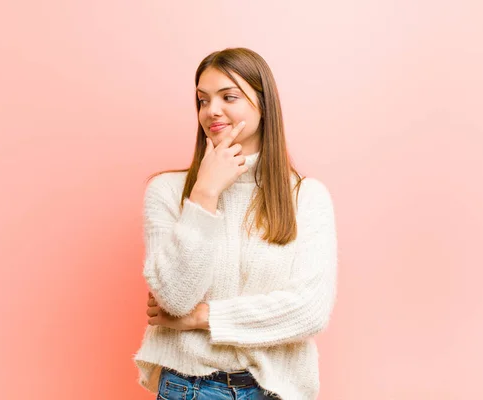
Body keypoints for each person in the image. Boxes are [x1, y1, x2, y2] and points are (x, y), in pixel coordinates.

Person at [133, 47, 338, 400]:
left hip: (275, 390)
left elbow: (309, 311)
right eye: (202, 100)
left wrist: (204, 318)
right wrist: (205, 193)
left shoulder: (307, 197)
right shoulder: (167, 190)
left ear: (263, 103)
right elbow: (175, 299)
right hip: (190, 389)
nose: (211, 110)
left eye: (229, 96)